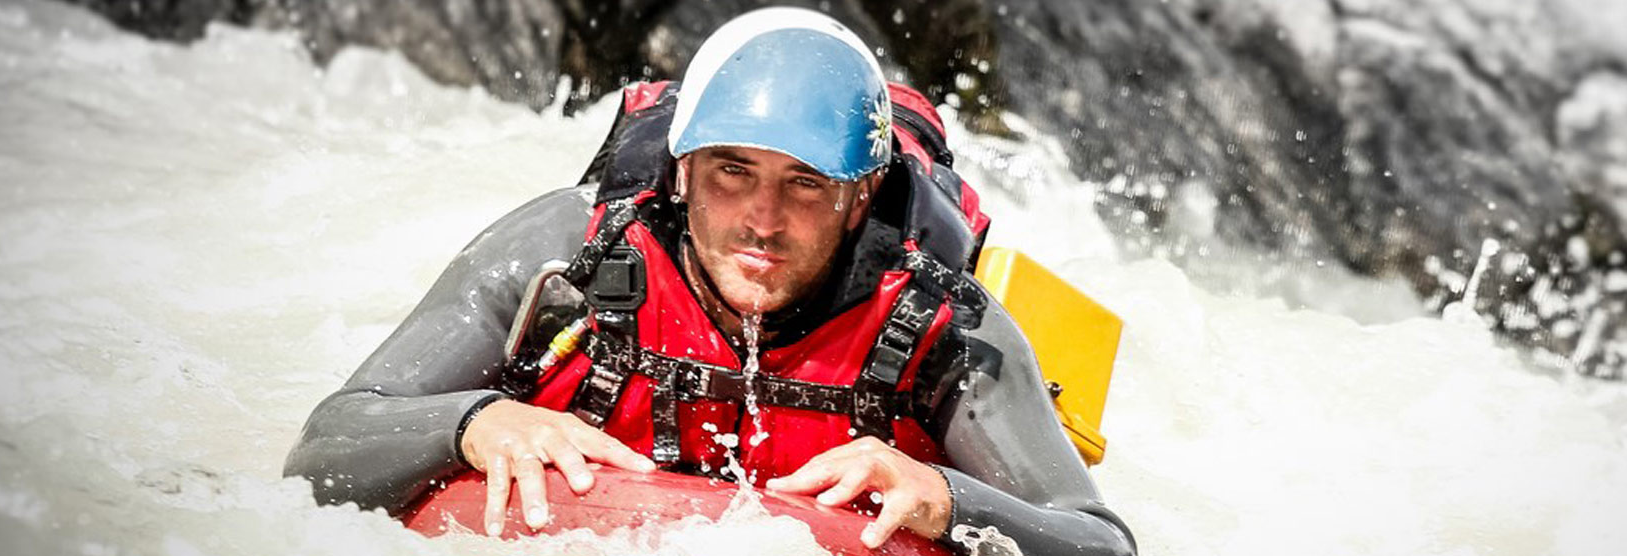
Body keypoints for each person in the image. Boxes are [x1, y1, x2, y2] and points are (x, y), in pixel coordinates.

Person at [283, 7, 1135, 555]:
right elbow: (323, 449)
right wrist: (472, 422)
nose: (763, 220)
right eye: (734, 172)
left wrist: (944, 496)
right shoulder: (563, 258)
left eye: (806, 184)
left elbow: (1098, 543)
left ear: (860, 196)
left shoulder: (945, 327)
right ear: (683, 168)